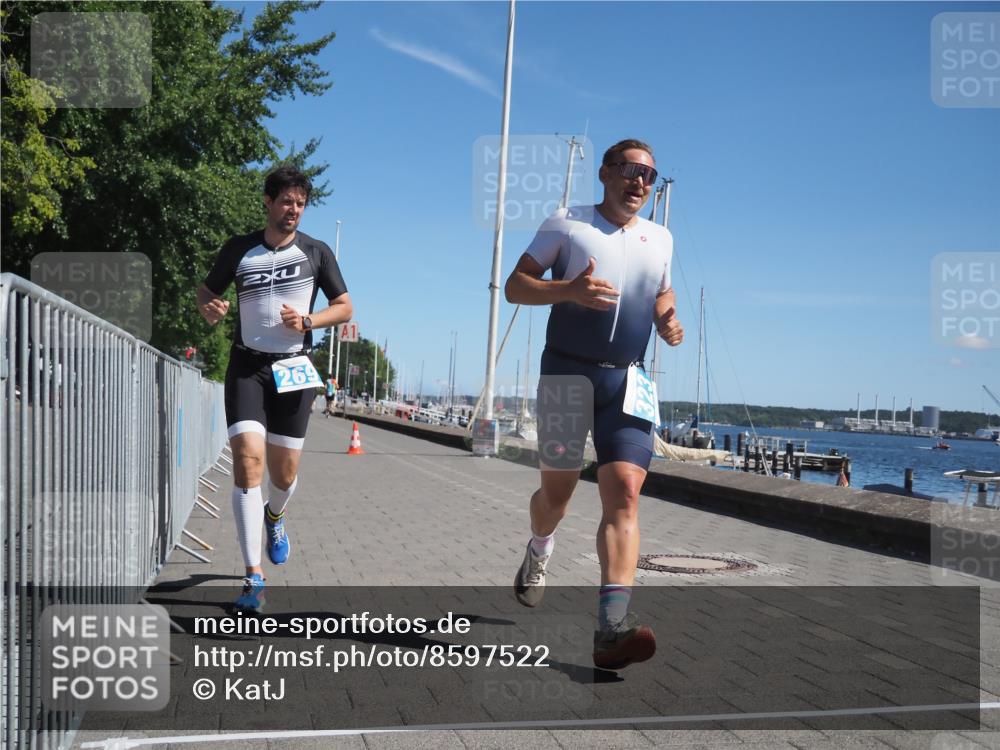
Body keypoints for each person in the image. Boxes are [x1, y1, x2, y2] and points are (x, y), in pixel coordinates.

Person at [504, 139, 684, 670]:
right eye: (629, 170)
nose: (640, 182)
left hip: (627, 382)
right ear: (605, 173)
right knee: (556, 494)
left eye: (649, 176)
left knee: (624, 493)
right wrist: (568, 291)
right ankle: (539, 546)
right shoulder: (567, 224)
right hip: (565, 373)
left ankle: (610, 628)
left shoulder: (661, 238)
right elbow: (516, 286)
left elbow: (661, 294)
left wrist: (668, 319)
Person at [196, 166, 353, 612]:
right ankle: (253, 579)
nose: (294, 210)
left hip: (293, 371)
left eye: (301, 204)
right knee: (247, 463)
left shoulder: (315, 253)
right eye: (286, 201)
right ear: (267, 202)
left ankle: (275, 516)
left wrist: (309, 321)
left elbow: (344, 307)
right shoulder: (239, 250)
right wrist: (209, 305)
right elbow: (205, 291)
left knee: (282, 475)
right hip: (246, 366)